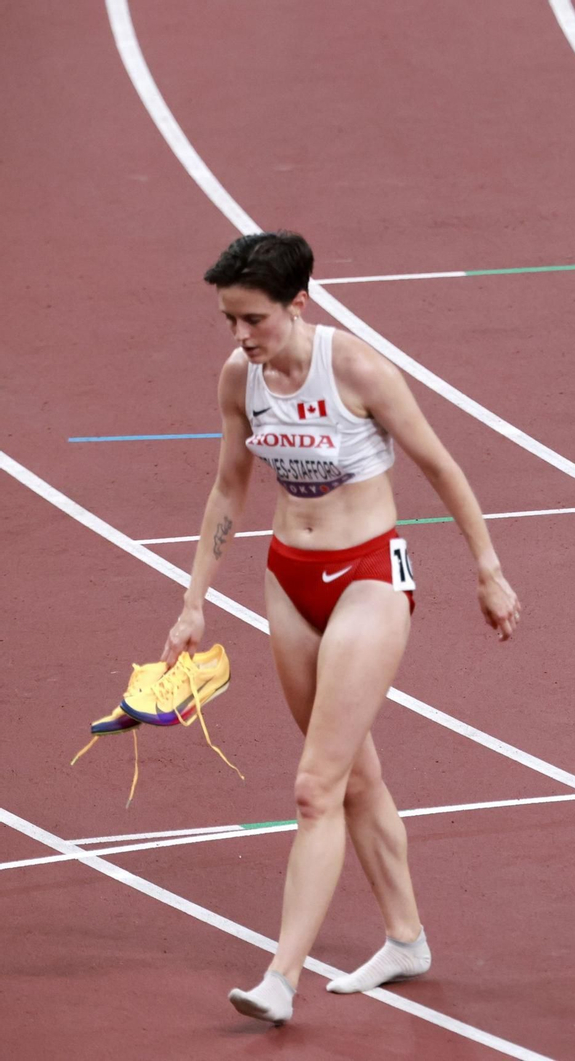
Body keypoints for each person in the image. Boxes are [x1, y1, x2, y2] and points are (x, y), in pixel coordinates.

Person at [160, 231, 520, 1024]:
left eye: (253, 319)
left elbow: (442, 466)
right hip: (288, 580)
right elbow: (229, 488)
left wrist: (487, 570)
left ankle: (280, 978)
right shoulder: (240, 378)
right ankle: (405, 938)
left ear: (298, 305)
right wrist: (195, 600)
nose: (240, 336)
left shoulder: (355, 367)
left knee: (313, 785)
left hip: (368, 578)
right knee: (353, 776)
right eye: (228, 321)